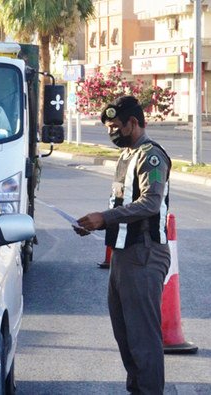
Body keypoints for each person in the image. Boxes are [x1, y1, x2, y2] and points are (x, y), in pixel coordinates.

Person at [74, 96, 171, 395]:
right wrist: (95, 223)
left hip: (143, 254)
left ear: (133, 122)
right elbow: (124, 202)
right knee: (125, 333)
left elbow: (151, 203)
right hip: (123, 255)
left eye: (116, 126)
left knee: (143, 337)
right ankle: (137, 388)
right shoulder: (128, 154)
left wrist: (104, 218)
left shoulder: (151, 156)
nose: (112, 132)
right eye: (108, 128)